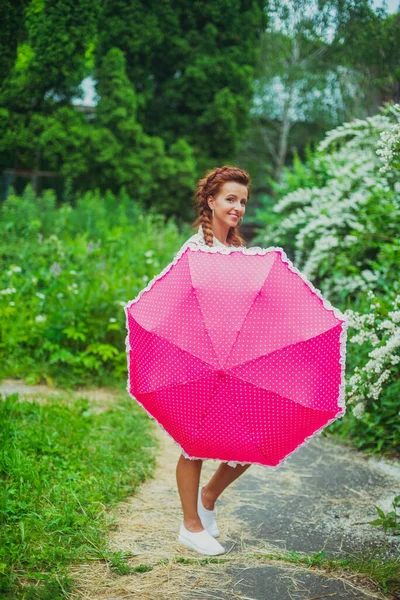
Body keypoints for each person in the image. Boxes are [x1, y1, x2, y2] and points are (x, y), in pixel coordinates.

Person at [176, 166, 252, 556]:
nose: (238, 207)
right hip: (200, 361)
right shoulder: (195, 249)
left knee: (251, 444)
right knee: (194, 445)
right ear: (211, 201)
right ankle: (190, 526)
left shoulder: (239, 252)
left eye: (242, 201)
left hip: (234, 363)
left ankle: (208, 498)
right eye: (230, 199)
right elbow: (179, 307)